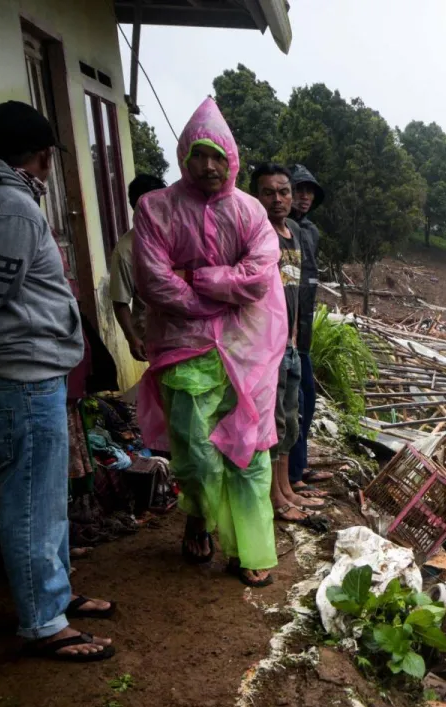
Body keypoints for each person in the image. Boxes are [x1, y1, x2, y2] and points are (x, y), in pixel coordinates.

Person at [132, 98, 286, 587]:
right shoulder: (156, 209)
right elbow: (155, 282)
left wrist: (195, 277)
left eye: (218, 155)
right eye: (199, 154)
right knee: (196, 454)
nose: (209, 166)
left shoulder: (251, 212)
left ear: (232, 158)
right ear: (184, 155)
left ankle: (250, 548)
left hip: (249, 351)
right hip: (185, 349)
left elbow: (258, 278)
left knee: (248, 451)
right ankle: (199, 519)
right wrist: (220, 297)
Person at [0, 100, 115, 660]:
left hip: (33, 372)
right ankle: (42, 621)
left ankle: (55, 592)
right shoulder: (11, 206)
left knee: (45, 491)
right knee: (31, 498)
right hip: (22, 374)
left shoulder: (6, 199)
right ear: (42, 155)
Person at [248, 162, 322, 525]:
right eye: (268, 192)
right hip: (269, 346)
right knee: (274, 421)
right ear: (256, 196)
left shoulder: (293, 230)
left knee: (290, 418)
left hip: (293, 343)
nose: (277, 199)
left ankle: (287, 489)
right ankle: (275, 497)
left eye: (284, 192)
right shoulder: (257, 234)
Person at [286, 163, 330, 493]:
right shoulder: (281, 230)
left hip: (303, 332)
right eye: (298, 189)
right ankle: (291, 476)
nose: (305, 196)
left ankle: (300, 465)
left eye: (309, 191)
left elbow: (307, 284)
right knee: (294, 403)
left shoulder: (311, 231)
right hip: (285, 330)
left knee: (308, 400)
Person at [108, 173, 167, 363]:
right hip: (153, 335)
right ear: (137, 207)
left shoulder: (179, 236)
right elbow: (120, 301)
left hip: (187, 328)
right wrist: (132, 338)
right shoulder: (126, 250)